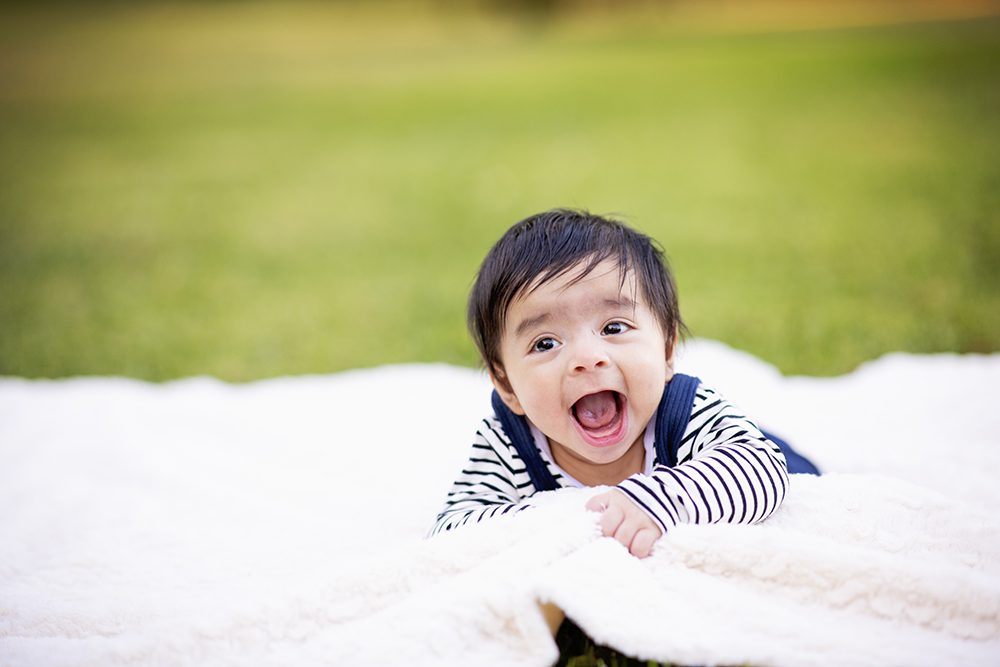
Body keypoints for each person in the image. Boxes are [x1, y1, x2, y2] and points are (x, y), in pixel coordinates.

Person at [430, 208, 788, 561]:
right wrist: (566, 517)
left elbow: (765, 467)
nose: (587, 357)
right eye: (545, 343)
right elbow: (451, 531)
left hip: (739, 450)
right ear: (507, 387)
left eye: (613, 328)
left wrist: (658, 501)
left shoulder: (684, 410)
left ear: (666, 350)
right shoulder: (510, 442)